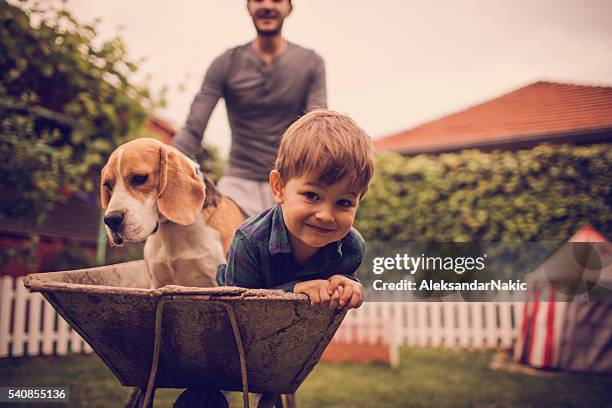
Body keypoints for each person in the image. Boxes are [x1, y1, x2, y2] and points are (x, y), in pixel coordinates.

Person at [171, 0, 327, 217]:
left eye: (276, 0)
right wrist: (166, 167)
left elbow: (316, 127)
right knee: (229, 242)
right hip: (237, 184)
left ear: (289, 8)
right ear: (248, 7)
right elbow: (193, 127)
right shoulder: (225, 64)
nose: (267, 5)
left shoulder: (310, 63)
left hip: (291, 181)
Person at [218, 109, 375, 310]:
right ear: (279, 187)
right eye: (311, 195)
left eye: (343, 202)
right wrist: (293, 291)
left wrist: (346, 285)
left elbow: (324, 319)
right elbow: (239, 310)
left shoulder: (351, 247)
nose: (325, 216)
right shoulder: (249, 241)